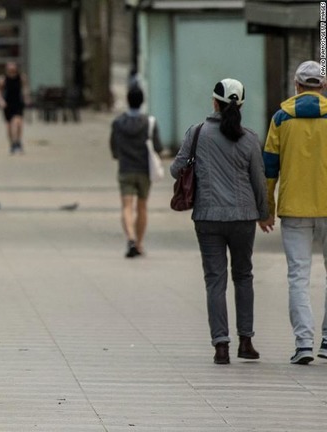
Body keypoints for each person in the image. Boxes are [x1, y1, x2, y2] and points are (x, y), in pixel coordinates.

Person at [170, 78, 268, 365]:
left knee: (215, 280)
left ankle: (221, 346)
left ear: (214, 102)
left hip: (208, 216)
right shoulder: (249, 138)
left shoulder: (197, 133)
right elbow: (258, 182)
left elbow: (177, 170)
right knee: (243, 276)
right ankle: (246, 341)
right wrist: (263, 214)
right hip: (243, 217)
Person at [259, 60, 327, 365]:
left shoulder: (281, 118)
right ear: (322, 87)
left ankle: (303, 343)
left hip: (294, 207)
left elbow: (269, 168)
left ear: (297, 86)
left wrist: (267, 209)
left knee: (298, 276)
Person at [110, 85, 162, 258]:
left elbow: (114, 148)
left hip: (126, 169)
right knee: (142, 207)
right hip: (144, 170)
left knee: (126, 206)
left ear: (127, 100)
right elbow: (158, 147)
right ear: (142, 101)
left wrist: (120, 155)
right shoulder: (149, 122)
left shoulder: (118, 123)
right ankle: (139, 243)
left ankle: (130, 238)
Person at [0, 61, 30, 154]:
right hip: (8, 104)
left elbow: (25, 89)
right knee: (9, 125)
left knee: (18, 122)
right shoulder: (3, 79)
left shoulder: (21, 77)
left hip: (18, 103)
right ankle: (12, 143)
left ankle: (17, 141)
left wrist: (26, 98)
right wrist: (0, 101)